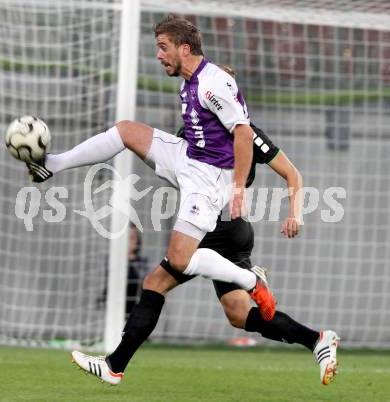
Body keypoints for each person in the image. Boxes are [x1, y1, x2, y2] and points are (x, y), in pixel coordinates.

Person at [24, 14, 337, 385]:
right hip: (191, 164)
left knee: (176, 262)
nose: (158, 55)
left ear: (184, 48)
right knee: (126, 131)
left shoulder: (214, 85)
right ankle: (53, 165)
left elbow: (243, 133)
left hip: (210, 185)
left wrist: (239, 188)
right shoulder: (194, 83)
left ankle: (249, 280)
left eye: (163, 47)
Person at [96, 224, 149, 314]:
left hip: (135, 306)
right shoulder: (112, 259)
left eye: (132, 238)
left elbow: (144, 283)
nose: (129, 242)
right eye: (125, 238)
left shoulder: (141, 262)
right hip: (115, 304)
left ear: (137, 241)